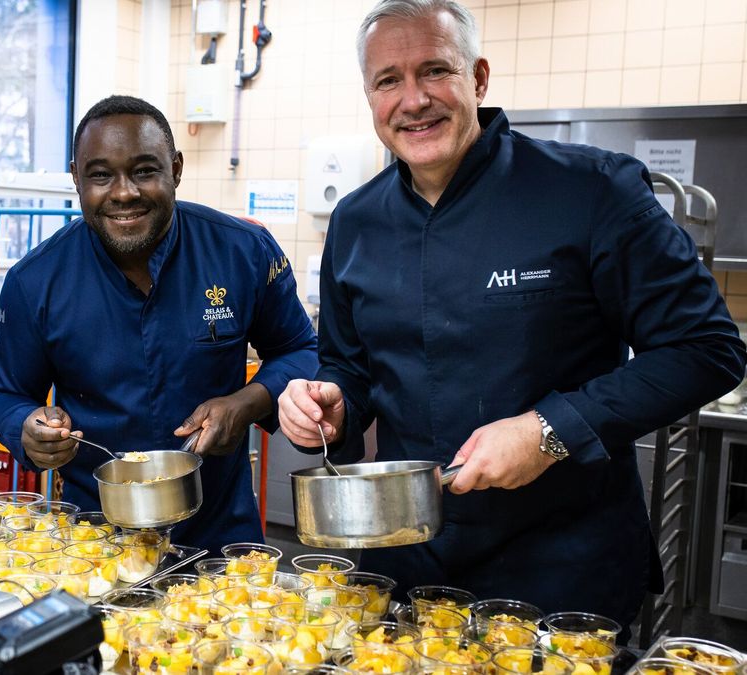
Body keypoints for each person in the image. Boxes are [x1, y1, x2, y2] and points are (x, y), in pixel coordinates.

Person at [277, 0, 746, 634]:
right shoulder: (356, 221)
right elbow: (350, 369)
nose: (413, 100)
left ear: (479, 78)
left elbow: (706, 347)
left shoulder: (591, 190)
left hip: (563, 566)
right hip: (409, 560)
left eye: (435, 71)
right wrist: (331, 403)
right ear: (369, 96)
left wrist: (551, 430)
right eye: (388, 80)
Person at [0, 95, 318, 552]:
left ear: (175, 169)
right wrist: (27, 426)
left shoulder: (242, 250)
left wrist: (247, 403)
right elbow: (4, 393)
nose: (124, 193)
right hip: (93, 540)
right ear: (76, 177)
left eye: (144, 170)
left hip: (220, 533)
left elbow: (302, 350)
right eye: (100, 175)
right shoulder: (36, 280)